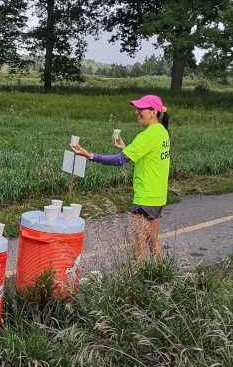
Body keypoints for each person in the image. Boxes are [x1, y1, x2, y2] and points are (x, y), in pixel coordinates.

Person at [70, 94, 170, 261]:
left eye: (141, 109)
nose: (136, 112)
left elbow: (119, 160)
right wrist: (125, 148)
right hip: (158, 196)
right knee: (153, 242)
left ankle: (140, 282)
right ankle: (161, 277)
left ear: (153, 112)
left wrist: (90, 155)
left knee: (139, 243)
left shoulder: (147, 135)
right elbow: (146, 155)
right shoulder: (162, 131)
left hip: (145, 196)